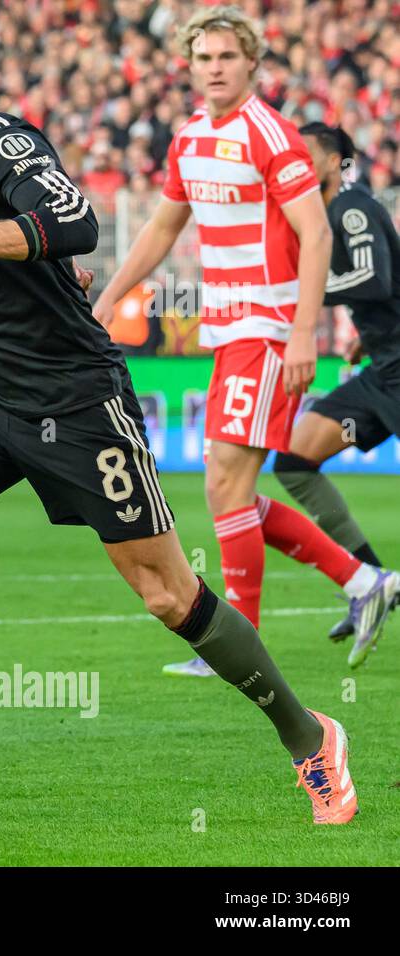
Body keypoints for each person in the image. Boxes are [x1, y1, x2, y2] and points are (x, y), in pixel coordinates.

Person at [0, 10, 355, 824]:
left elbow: (77, 224)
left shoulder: (5, 145)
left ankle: (310, 737)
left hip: (78, 403)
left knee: (169, 595)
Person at [90, 6, 396, 678]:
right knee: (227, 490)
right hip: (230, 333)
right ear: (189, 66)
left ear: (252, 62)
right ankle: (363, 580)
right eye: (204, 58)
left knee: (226, 485)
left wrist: (303, 332)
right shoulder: (189, 138)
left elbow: (316, 233)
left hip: (269, 329)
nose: (215, 68)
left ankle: (240, 641)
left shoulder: (271, 135)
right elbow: (164, 228)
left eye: (228, 56)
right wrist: (111, 296)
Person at [272, 122, 400, 666]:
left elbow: (374, 280)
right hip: (381, 369)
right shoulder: (321, 217)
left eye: (306, 154)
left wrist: (304, 296)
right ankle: (371, 582)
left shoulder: (352, 207)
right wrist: (367, 339)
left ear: (333, 162)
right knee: (294, 460)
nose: (296, 163)